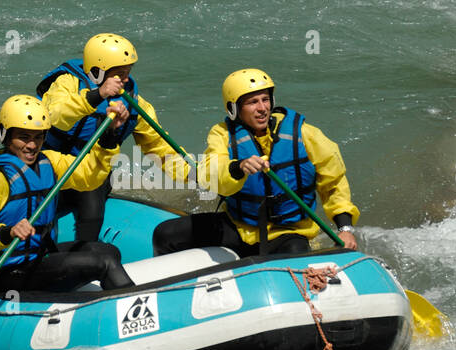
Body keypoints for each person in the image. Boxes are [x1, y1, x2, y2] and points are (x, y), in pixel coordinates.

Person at [152, 68, 360, 257]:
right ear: (233, 109)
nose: (262, 108)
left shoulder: (305, 134)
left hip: (288, 233)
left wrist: (345, 229)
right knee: (164, 234)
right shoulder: (222, 134)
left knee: (295, 255)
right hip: (239, 227)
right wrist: (237, 167)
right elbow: (211, 174)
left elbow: (334, 183)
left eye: (265, 99)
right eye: (252, 102)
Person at [0, 95, 135, 292]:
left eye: (38, 137)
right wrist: (7, 232)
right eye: (24, 137)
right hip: (4, 271)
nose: (32, 145)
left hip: (37, 257)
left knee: (109, 251)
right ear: (4, 134)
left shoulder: (48, 161)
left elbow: (89, 176)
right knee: (104, 262)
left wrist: (109, 134)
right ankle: (134, 307)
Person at [35, 33, 188, 242]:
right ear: (98, 72)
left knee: (92, 215)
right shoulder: (67, 83)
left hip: (91, 171)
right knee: (39, 217)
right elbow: (52, 115)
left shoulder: (135, 104)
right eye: (119, 74)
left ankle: (85, 256)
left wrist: (194, 173)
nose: (125, 79)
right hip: (51, 166)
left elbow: (160, 148)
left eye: (128, 72)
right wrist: (97, 95)